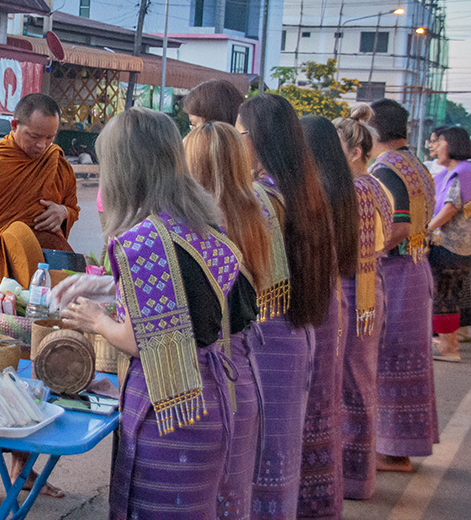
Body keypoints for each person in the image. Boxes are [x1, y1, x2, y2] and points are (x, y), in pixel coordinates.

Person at [57, 107, 240, 518]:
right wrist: (105, 286)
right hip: (208, 396)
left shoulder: (143, 241)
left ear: (125, 169)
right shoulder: (200, 226)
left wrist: (97, 320)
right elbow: (185, 302)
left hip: (166, 409)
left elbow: (142, 342)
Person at [0, 92, 79, 506]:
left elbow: (71, 205)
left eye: (49, 138)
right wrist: (17, 237)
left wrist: (63, 213)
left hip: (41, 288)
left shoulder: (55, 161)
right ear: (13, 126)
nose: (41, 146)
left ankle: (23, 472)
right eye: (33, 137)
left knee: (34, 377)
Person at [236, 94, 335, 520]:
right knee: (279, 453)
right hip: (295, 335)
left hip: (265, 343)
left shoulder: (258, 198)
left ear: (257, 140)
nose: (236, 142)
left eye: (239, 134)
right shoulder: (306, 190)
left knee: (260, 457)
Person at [183, 121, 271, 518]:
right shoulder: (254, 210)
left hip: (213, 375)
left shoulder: (202, 226)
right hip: (243, 365)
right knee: (232, 490)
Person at [367, 98, 438, 472]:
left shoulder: (386, 169)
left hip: (397, 274)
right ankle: (398, 445)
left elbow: (400, 225)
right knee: (405, 358)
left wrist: (363, 250)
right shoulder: (414, 163)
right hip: (415, 268)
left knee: (390, 357)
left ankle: (393, 450)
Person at [296, 115, 360, 519]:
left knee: (309, 406)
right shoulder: (342, 188)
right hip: (332, 302)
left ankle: (306, 502)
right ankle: (321, 501)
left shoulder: (309, 192)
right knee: (323, 402)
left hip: (312, 307)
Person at [333, 106, 394, 500]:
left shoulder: (355, 190)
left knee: (351, 384)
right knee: (360, 381)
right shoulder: (376, 187)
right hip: (370, 289)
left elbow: (345, 251)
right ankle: (359, 475)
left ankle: (353, 478)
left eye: (335, 146)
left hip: (356, 293)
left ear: (355, 151)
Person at [427, 126, 471, 362]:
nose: (433, 146)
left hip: (450, 246)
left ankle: (448, 348)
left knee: (444, 296)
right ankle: (449, 343)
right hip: (456, 247)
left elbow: (451, 207)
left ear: (451, 143)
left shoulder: (463, 171)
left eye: (438, 141)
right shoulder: (457, 171)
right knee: (449, 295)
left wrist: (427, 229)